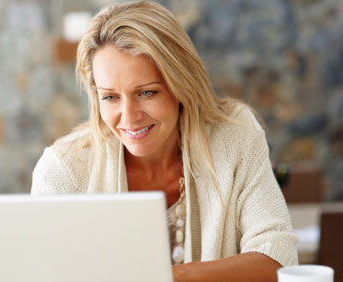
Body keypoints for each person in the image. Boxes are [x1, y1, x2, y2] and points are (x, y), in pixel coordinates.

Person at [31, 1, 298, 281]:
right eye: (110, 97)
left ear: (181, 83)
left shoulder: (235, 136)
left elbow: (278, 257)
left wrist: (172, 277)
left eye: (147, 93)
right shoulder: (64, 170)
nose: (130, 117)